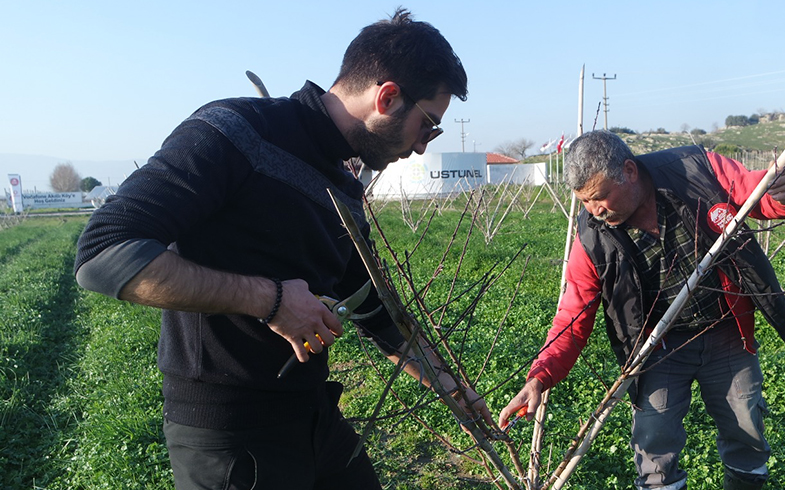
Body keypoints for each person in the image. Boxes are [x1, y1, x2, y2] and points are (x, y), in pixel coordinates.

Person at [74, 8, 491, 490]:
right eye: (428, 125)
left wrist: (451, 387)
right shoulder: (235, 132)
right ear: (389, 96)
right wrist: (269, 300)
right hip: (230, 436)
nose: (423, 146)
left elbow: (372, 307)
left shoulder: (344, 185)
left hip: (314, 417)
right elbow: (103, 254)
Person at [499, 130, 785, 490]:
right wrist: (540, 376)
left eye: (600, 197)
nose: (595, 210)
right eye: (584, 202)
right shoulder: (592, 236)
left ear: (629, 171)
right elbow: (573, 315)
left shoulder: (695, 169)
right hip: (658, 349)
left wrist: (783, 194)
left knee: (746, 427)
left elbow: (756, 193)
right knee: (653, 441)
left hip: (725, 332)